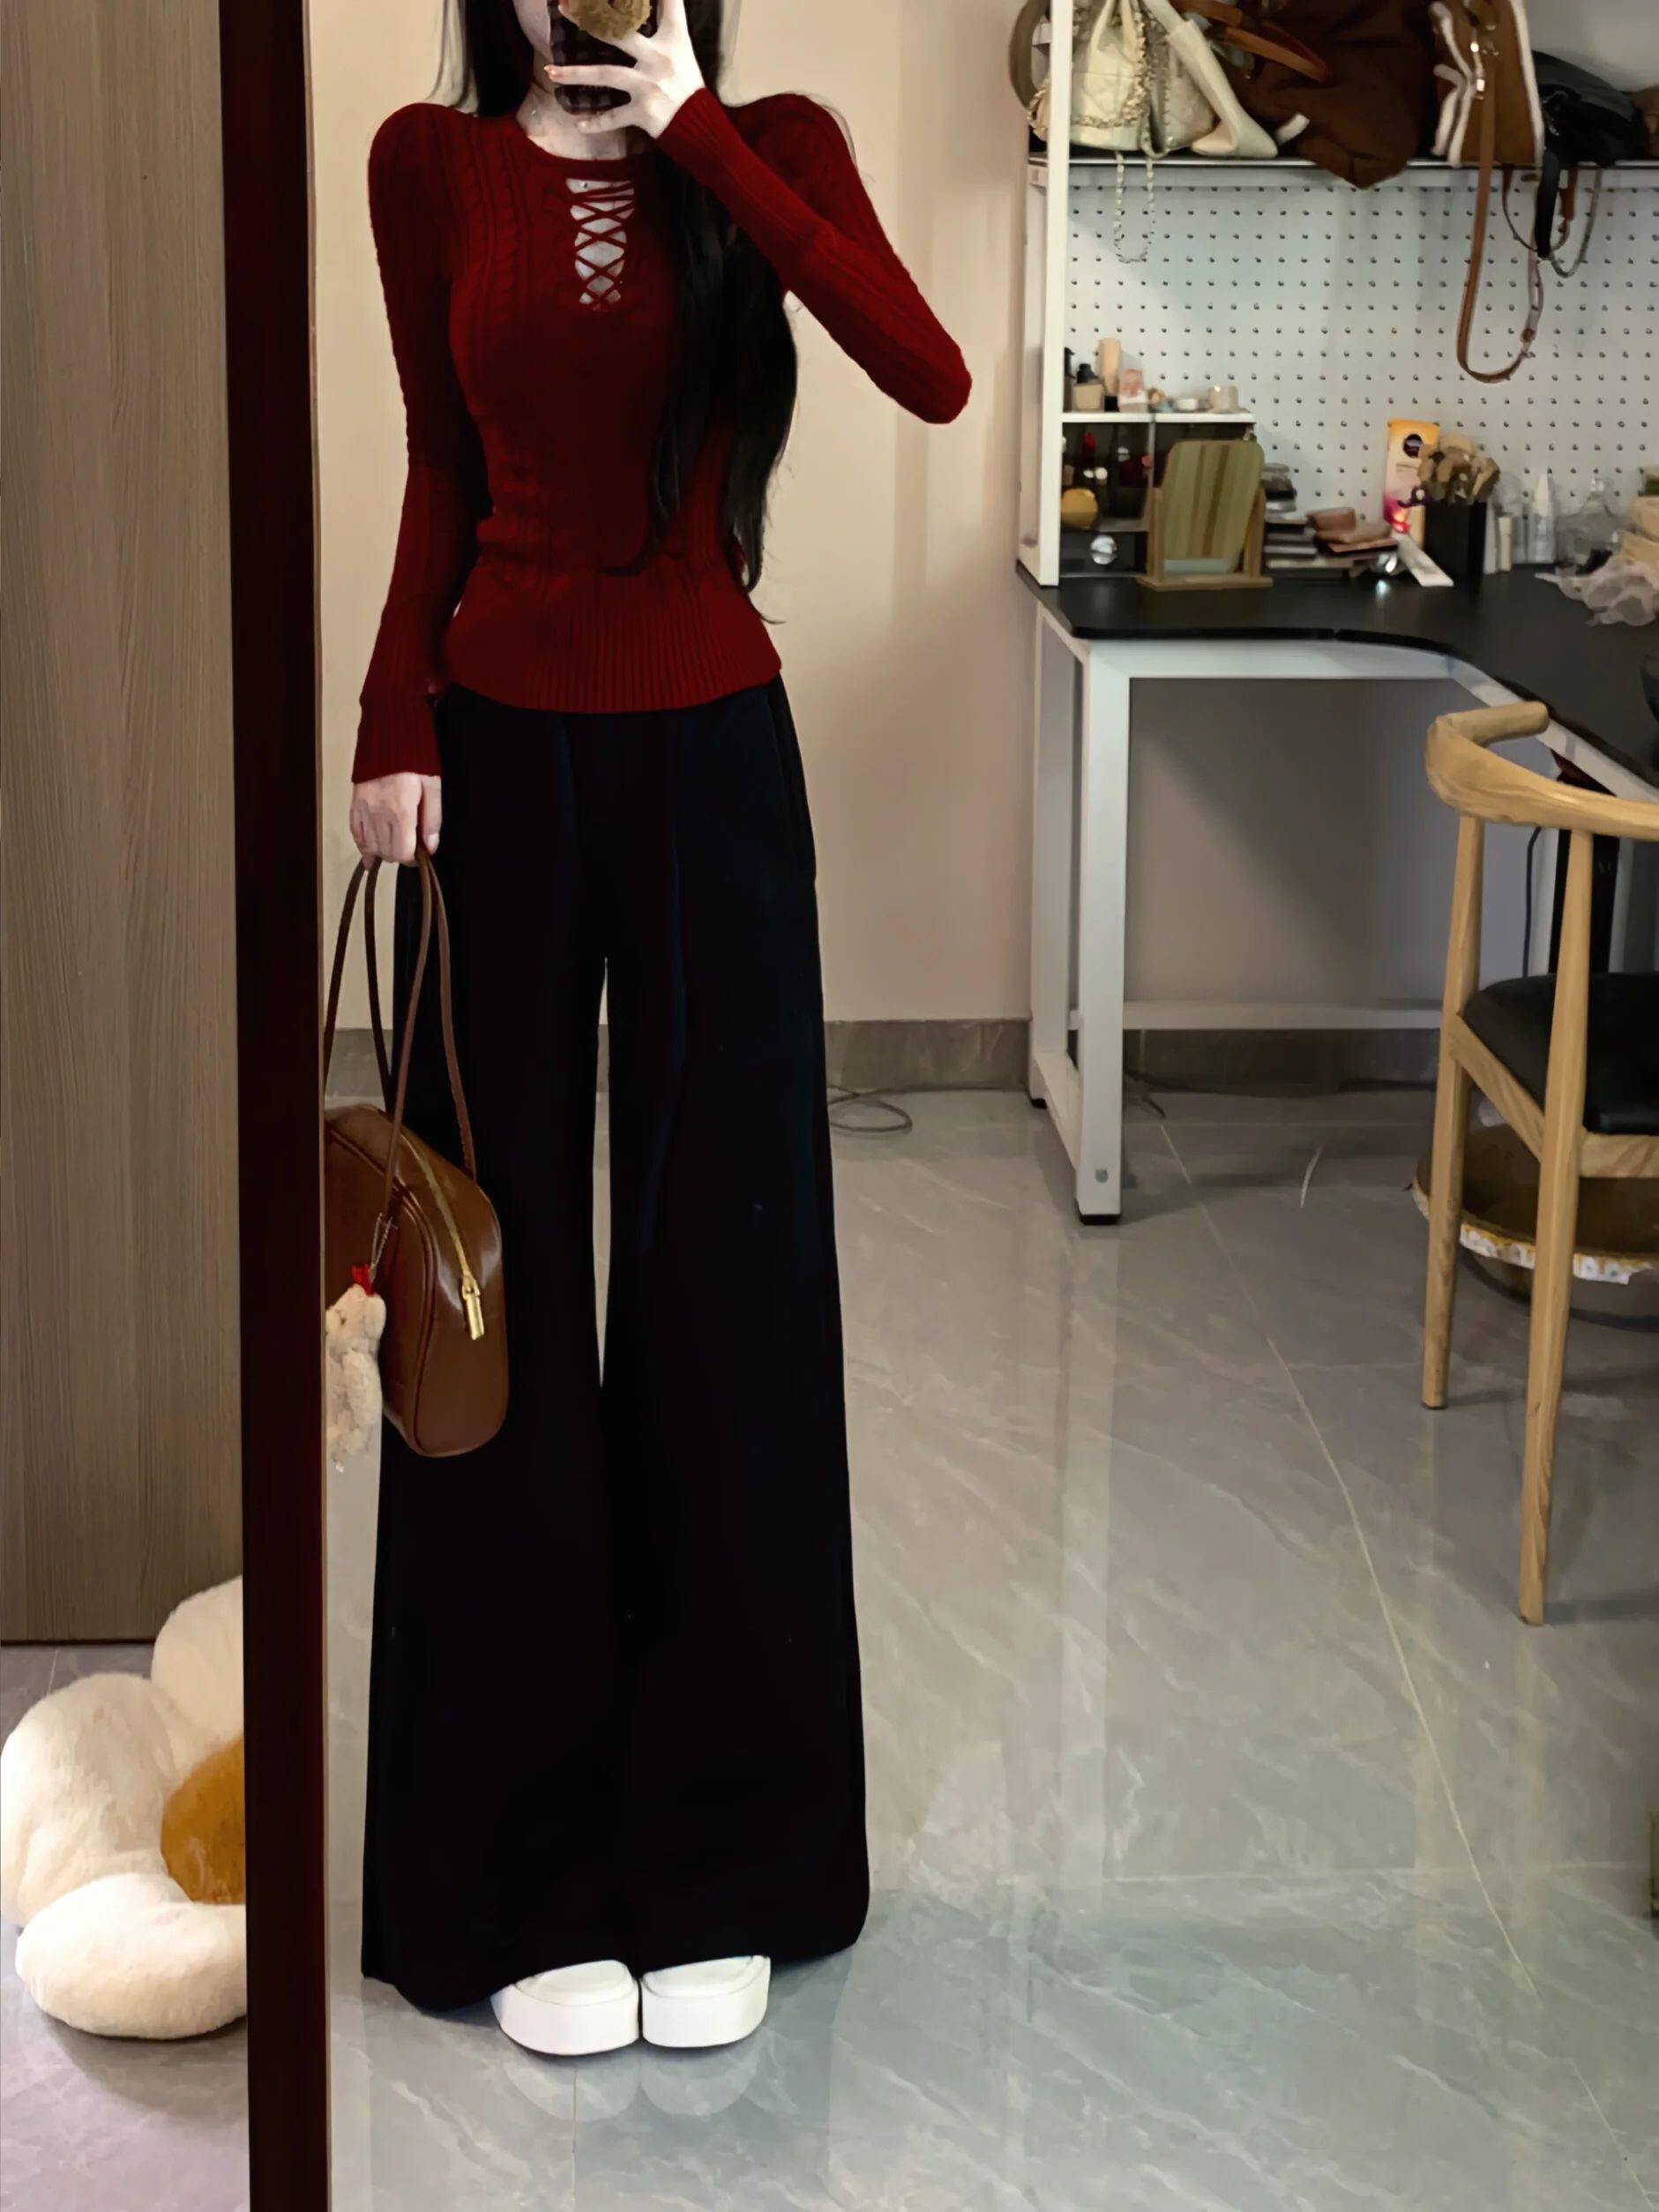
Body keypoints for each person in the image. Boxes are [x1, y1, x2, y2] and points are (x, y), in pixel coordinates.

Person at [350, 0, 968, 2058]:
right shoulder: (429, 165)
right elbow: (440, 463)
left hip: (712, 752)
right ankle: (515, 1874)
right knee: (492, 1303)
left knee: (731, 1287)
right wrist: (391, 717)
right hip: (495, 761)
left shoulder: (766, 139)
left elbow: (926, 369)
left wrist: (697, 130)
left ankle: (730, 1857)